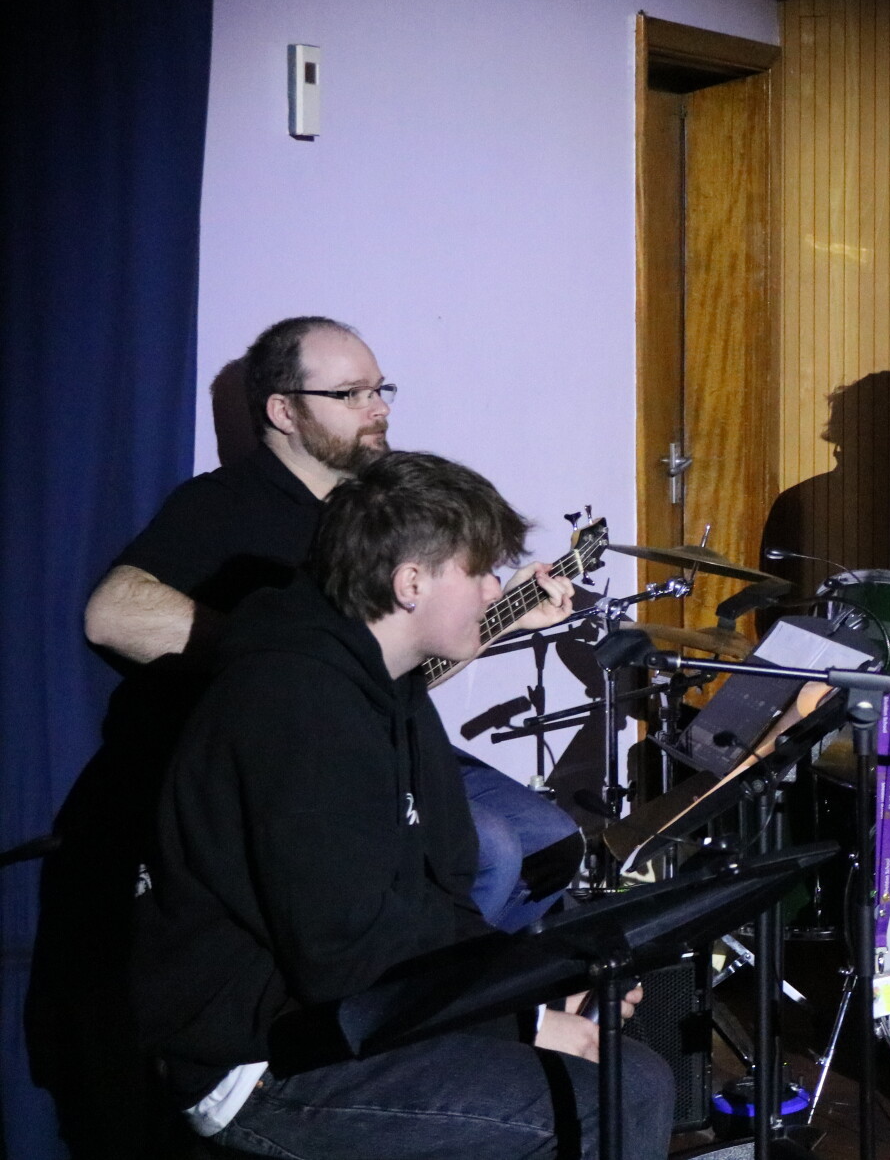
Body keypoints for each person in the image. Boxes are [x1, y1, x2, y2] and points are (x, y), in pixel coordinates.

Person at [130, 451, 671, 1157]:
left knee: (635, 1073)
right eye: (479, 572)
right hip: (259, 1058)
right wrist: (527, 1020)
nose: (494, 590)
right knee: (623, 1097)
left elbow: (439, 897)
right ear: (411, 583)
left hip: (337, 1017)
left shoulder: (393, 687)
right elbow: (341, 955)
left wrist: (541, 987)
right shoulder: (293, 704)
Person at [81, 315, 580, 928]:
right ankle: (407, 983)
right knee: (490, 851)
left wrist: (500, 616)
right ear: (284, 412)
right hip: (289, 767)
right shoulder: (225, 502)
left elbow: (394, 672)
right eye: (350, 394)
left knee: (552, 842)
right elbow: (111, 613)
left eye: (379, 390)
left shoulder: (374, 513)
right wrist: (287, 660)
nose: (378, 408)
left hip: (380, 749)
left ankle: (469, 979)